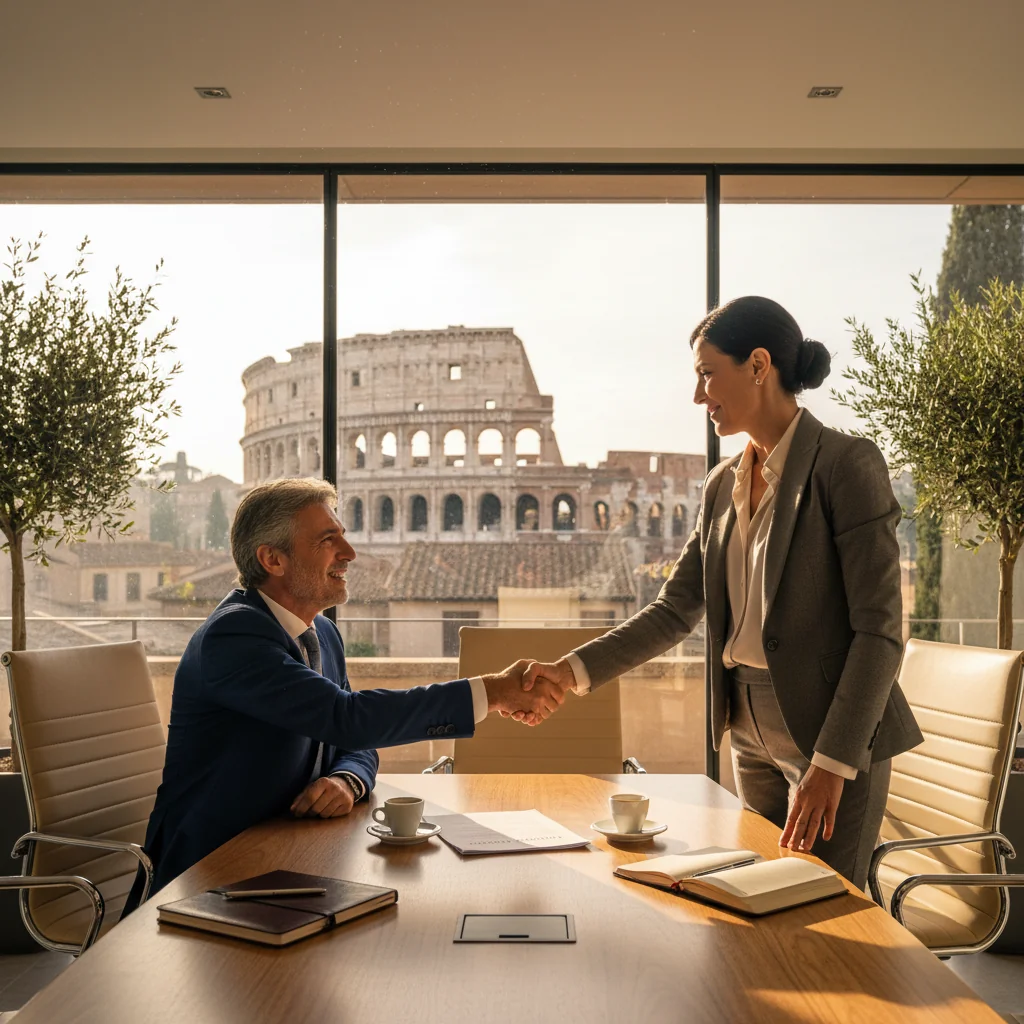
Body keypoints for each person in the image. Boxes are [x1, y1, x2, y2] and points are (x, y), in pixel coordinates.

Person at [520, 296, 922, 890]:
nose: (698, 395)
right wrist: (572, 671)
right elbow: (674, 609)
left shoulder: (846, 464)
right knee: (755, 900)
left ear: (758, 365)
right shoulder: (719, 486)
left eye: (707, 374)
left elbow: (880, 631)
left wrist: (834, 763)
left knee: (830, 907)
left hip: (831, 731)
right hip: (746, 727)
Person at [136, 478, 563, 899]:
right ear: (272, 558)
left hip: (289, 859)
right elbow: (348, 719)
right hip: (208, 875)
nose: (350, 554)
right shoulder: (233, 637)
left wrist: (346, 780)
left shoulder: (321, 632)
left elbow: (355, 743)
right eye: (328, 540)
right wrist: (493, 691)